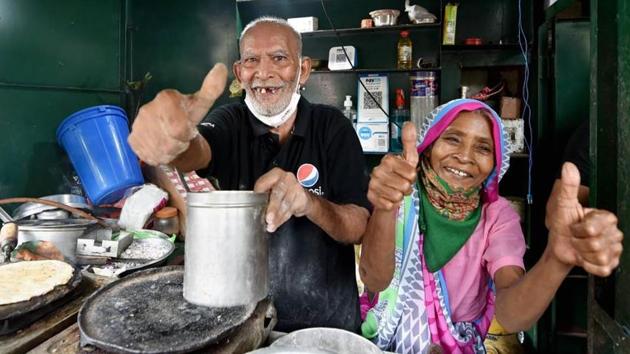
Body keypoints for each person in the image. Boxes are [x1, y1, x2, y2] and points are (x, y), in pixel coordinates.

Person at [127, 17, 371, 332]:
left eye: (280, 58)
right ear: (240, 73)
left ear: (304, 70)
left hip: (326, 324)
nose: (264, 71)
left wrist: (308, 202)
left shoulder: (333, 128)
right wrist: (178, 142)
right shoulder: (231, 120)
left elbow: (358, 226)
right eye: (252, 60)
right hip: (248, 321)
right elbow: (200, 150)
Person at [358, 99, 623, 353]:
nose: (465, 157)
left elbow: (510, 316)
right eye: (452, 139)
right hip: (382, 341)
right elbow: (375, 280)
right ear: (429, 144)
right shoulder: (398, 192)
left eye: (483, 148)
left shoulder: (498, 218)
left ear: (496, 164)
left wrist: (555, 260)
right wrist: (385, 209)